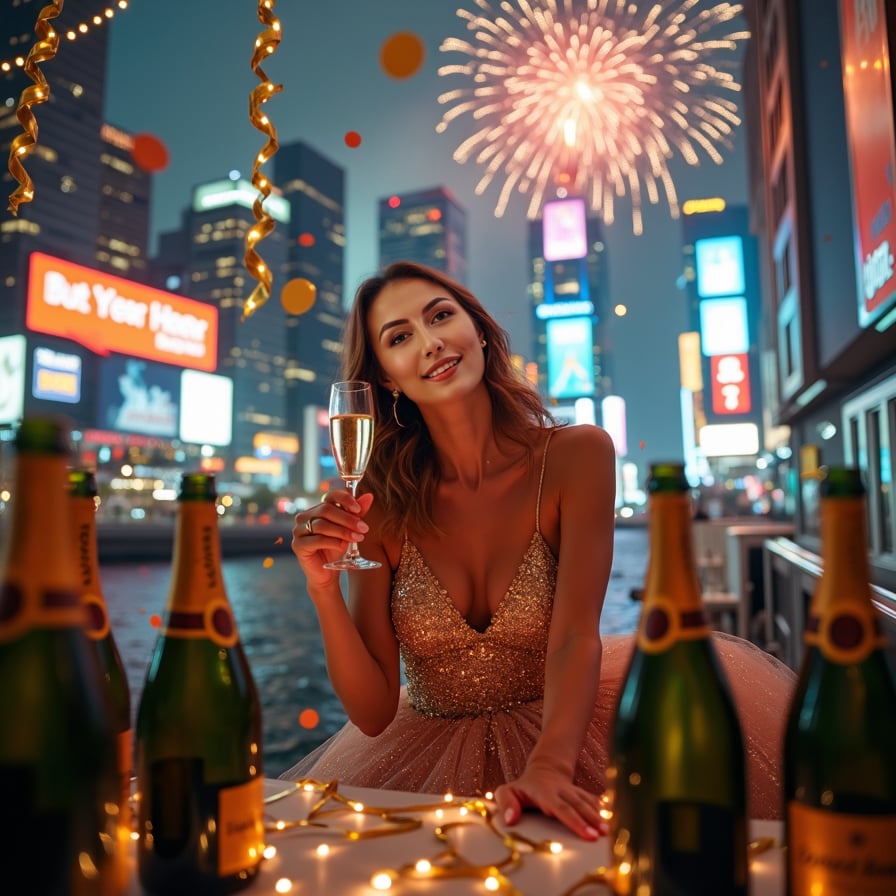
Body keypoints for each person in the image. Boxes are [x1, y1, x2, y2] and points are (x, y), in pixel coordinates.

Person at [281, 261, 796, 838]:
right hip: (418, 757)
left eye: (441, 316)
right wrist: (322, 588)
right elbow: (373, 715)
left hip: (571, 735)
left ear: (478, 330)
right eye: (400, 337)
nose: (430, 343)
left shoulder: (577, 456)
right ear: (387, 378)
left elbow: (577, 634)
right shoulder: (381, 506)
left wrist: (550, 766)